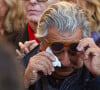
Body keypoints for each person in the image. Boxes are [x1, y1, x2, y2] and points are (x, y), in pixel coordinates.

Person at [24, 1, 100, 90]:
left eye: (74, 48)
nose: (65, 62)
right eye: (57, 47)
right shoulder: (21, 69)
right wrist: (24, 82)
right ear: (42, 43)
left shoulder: (94, 65)